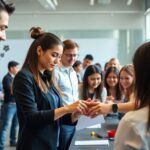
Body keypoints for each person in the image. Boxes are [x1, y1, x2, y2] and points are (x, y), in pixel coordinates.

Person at [13, 27, 88, 150]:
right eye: (54, 55)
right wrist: (67, 108)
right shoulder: (24, 77)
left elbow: (55, 116)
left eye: (59, 56)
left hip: (52, 144)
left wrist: (75, 114)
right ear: (39, 50)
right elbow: (32, 118)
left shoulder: (47, 78)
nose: (57, 61)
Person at [115, 41, 150, 149]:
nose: (123, 81)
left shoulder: (132, 123)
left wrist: (110, 107)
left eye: (127, 78)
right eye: (121, 78)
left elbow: (135, 104)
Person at [53, 39, 80, 150]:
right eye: (69, 55)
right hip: (62, 119)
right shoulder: (55, 71)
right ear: (61, 55)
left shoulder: (73, 72)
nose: (72, 58)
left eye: (75, 55)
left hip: (75, 118)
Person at [0, 61, 19, 150]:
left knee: (15, 125)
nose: (18, 69)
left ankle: (12, 142)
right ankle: (1, 145)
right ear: (11, 68)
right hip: (9, 106)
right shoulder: (6, 78)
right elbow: (12, 91)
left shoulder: (15, 78)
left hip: (16, 105)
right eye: (16, 67)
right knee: (5, 126)